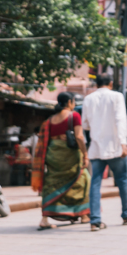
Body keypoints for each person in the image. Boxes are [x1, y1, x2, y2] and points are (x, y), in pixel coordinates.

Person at [82, 73, 127, 230]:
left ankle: (95, 220)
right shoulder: (117, 96)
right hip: (114, 147)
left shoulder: (88, 99)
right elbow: (121, 119)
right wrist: (123, 143)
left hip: (96, 147)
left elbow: (85, 125)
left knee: (95, 183)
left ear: (96, 84)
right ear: (111, 83)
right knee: (122, 180)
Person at [32, 92, 90, 229]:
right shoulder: (74, 115)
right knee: (83, 179)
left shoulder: (50, 119)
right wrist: (85, 154)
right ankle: (83, 215)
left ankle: (44, 219)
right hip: (69, 154)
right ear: (69, 102)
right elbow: (80, 137)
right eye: (74, 101)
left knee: (52, 183)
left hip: (53, 155)